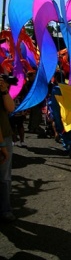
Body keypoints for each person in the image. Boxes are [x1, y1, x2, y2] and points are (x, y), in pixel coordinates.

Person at [0, 76, 16, 223]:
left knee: (5, 176)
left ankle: (5, 209)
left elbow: (11, 108)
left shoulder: (2, 90)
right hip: (2, 140)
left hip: (5, 135)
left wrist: (4, 91)